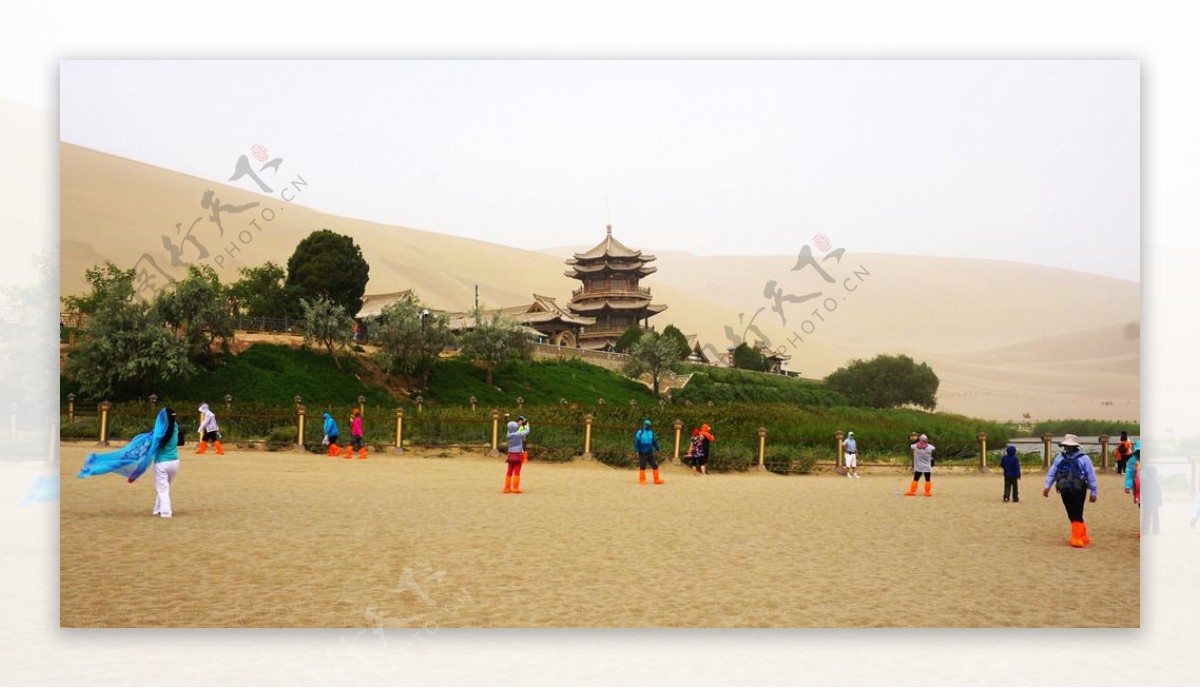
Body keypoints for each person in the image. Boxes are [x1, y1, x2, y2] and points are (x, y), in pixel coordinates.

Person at [1043, 433, 1099, 548]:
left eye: (1069, 446)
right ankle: (1082, 535)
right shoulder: (1060, 458)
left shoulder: (1084, 459)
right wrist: (1047, 486)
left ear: (1075, 447)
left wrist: (1094, 491)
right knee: (1071, 512)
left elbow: (1091, 476)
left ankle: (1077, 538)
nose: (1067, 449)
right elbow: (1052, 473)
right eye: (1066, 446)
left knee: (1077, 511)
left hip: (1080, 488)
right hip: (1064, 489)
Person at [152, 408, 184, 518]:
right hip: (174, 462)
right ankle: (157, 509)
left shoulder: (161, 429)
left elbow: (154, 441)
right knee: (164, 488)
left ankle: (166, 513)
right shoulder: (175, 426)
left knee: (162, 489)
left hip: (162, 462)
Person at [503, 419, 530, 494]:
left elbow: (510, 429)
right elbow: (526, 431)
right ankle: (515, 488)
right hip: (518, 455)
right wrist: (526, 425)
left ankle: (507, 488)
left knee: (509, 472)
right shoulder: (519, 434)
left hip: (510, 455)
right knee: (517, 473)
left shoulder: (508, 435)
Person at [634, 419, 664, 485]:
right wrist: (637, 450)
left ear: (649, 426)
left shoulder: (651, 433)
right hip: (642, 451)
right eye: (644, 424)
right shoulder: (639, 432)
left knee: (655, 465)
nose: (645, 426)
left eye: (646, 425)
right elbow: (636, 442)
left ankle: (656, 479)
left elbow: (654, 442)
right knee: (642, 466)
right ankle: (642, 479)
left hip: (650, 452)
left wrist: (658, 449)